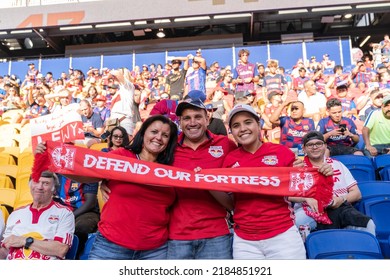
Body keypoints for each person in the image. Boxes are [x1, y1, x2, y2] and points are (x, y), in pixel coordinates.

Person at [222, 104, 333, 259]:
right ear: (231, 131)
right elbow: (231, 202)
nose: (242, 128)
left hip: (283, 237)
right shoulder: (229, 160)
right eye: (236, 125)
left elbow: (299, 190)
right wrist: (201, 181)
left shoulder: (282, 152)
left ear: (258, 124)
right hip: (245, 242)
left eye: (248, 122)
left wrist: (323, 174)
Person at [89, 115, 178, 260]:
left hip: (155, 251)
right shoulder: (121, 156)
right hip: (110, 246)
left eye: (165, 135)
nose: (159, 138)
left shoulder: (173, 170)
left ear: (169, 142)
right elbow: (85, 170)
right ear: (143, 134)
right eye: (154, 132)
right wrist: (101, 180)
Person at [167, 91, 237, 259]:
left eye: (198, 117)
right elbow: (140, 167)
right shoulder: (168, 147)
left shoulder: (226, 144)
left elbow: (248, 168)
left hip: (217, 235)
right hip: (177, 236)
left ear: (207, 119)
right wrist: (107, 180)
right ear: (180, 122)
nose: (192, 123)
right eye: (186, 118)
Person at [291, 131, 376, 236]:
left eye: (318, 144)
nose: (314, 147)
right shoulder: (299, 168)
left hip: (340, 207)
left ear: (325, 146)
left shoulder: (338, 164)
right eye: (310, 145)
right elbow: (290, 196)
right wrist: (306, 198)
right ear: (303, 148)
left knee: (368, 224)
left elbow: (357, 194)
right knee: (299, 222)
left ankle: (364, 251)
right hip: (310, 209)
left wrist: (341, 199)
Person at [0, 171, 75, 260]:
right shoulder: (15, 214)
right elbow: (5, 251)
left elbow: (61, 249)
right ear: (30, 186)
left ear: (54, 190)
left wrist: (24, 241)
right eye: (36, 182)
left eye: (46, 183)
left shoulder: (65, 213)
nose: (39, 187)